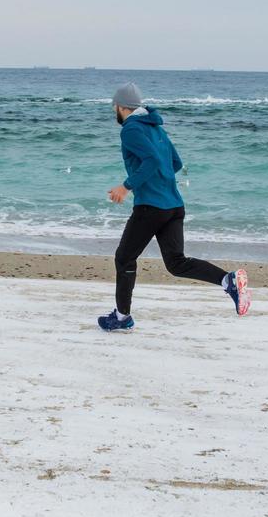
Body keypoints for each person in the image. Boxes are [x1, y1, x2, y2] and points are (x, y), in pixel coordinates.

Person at [99, 82, 250, 331]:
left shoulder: (130, 129)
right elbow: (175, 162)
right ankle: (227, 280)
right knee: (176, 263)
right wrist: (160, 179)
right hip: (174, 205)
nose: (114, 110)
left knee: (124, 258)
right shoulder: (156, 127)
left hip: (151, 207)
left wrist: (127, 186)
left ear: (122, 107)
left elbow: (151, 160)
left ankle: (122, 317)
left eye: (114, 106)